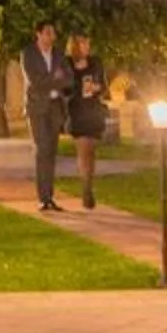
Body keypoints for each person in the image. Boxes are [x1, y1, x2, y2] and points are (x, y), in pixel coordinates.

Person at [20, 20, 72, 211]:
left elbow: (69, 79)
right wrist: (55, 79)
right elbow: (35, 82)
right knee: (42, 150)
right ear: (39, 34)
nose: (52, 37)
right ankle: (43, 198)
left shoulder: (59, 54)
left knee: (51, 152)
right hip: (37, 108)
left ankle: (49, 196)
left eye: (53, 33)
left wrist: (55, 81)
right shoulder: (28, 54)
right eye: (48, 33)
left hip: (55, 108)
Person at [64, 32, 109, 209]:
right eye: (83, 44)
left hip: (93, 110)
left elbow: (104, 86)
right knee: (84, 149)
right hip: (77, 111)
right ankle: (86, 189)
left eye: (87, 44)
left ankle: (88, 183)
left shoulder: (95, 62)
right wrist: (77, 88)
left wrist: (96, 87)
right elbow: (64, 88)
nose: (87, 47)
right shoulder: (67, 64)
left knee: (91, 152)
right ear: (75, 45)